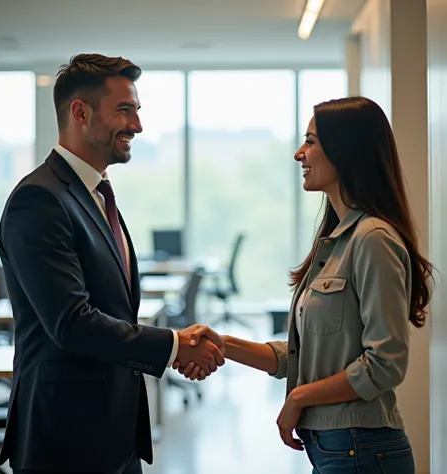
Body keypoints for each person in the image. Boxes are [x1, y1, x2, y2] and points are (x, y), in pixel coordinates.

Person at [175, 96, 434, 473]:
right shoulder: (339, 239)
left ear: (346, 152)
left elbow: (386, 363)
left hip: (360, 449)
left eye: (310, 142)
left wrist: (299, 397)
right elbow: (305, 354)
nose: (300, 154)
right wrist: (224, 344)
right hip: (336, 449)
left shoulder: (373, 239)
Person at [0, 53, 224, 474]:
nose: (137, 126)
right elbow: (72, 322)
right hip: (66, 440)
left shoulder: (95, 195)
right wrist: (174, 346)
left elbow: (112, 309)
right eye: (124, 110)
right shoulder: (40, 199)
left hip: (113, 433)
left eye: (137, 111)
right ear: (80, 113)